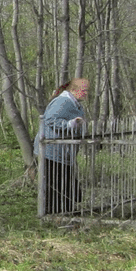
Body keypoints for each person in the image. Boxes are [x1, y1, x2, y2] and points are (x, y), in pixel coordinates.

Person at [34, 77, 89, 214]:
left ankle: (65, 212)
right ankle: (54, 214)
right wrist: (70, 124)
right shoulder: (63, 101)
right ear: (75, 90)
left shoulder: (74, 103)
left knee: (68, 187)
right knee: (56, 186)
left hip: (62, 153)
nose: (87, 93)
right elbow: (51, 120)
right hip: (51, 151)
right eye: (85, 90)